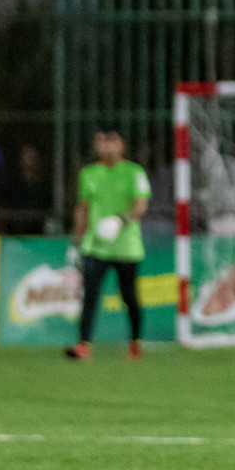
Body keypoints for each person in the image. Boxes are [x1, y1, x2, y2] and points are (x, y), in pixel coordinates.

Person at [65, 129, 151, 360]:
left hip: (126, 247)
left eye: (111, 141)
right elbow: (82, 209)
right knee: (90, 295)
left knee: (129, 297)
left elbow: (141, 205)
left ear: (121, 145)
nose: (106, 146)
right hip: (95, 246)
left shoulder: (134, 172)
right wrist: (76, 242)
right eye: (102, 142)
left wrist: (121, 220)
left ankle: (135, 342)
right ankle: (83, 345)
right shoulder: (89, 174)